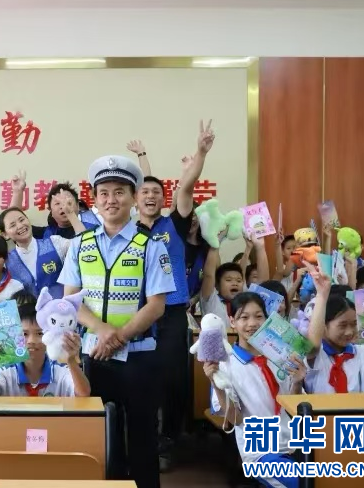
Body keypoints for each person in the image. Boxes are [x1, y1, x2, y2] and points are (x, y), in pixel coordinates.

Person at [59, 155, 175, 488]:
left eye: (120, 192)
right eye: (105, 193)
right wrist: (102, 331)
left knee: (142, 436)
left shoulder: (151, 246)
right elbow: (71, 301)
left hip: (140, 356)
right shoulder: (80, 245)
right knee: (101, 433)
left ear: (134, 198)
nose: (112, 200)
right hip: (94, 355)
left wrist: (118, 337)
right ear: (95, 200)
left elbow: (156, 306)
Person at [131, 122, 214, 469]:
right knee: (139, 380)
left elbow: (187, 185)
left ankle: (167, 442)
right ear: (135, 199)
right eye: (144, 192)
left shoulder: (174, 224)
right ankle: (140, 440)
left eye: (156, 192)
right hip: (137, 315)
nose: (150, 196)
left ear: (164, 200)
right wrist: (141, 158)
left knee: (172, 379)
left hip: (173, 313)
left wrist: (201, 153)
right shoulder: (126, 231)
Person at [205, 292, 307, 488]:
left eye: (259, 316)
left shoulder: (281, 356)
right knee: (303, 483)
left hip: (294, 444)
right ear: (232, 322)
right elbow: (235, 419)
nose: (252, 323)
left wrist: (297, 382)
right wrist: (215, 382)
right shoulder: (224, 365)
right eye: (244, 317)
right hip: (260, 452)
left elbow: (295, 409)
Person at [0, 301, 89, 397]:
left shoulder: (60, 370)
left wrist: (71, 360)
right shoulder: (5, 371)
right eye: (24, 334)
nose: (31, 341)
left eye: (40, 333)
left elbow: (83, 394)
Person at [305, 265, 364, 393]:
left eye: (354, 324)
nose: (349, 332)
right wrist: (322, 294)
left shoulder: (363, 353)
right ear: (324, 326)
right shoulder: (317, 355)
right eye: (342, 325)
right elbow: (312, 346)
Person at [0, 206, 76, 300]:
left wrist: (72, 216)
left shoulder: (55, 243)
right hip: (29, 309)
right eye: (12, 225)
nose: (20, 226)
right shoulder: (6, 262)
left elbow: (82, 246)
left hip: (63, 306)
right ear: (5, 235)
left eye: (22, 220)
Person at [10, 174, 96, 239]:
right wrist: (17, 192)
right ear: (51, 211)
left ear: (78, 205)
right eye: (57, 203)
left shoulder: (95, 228)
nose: (63, 206)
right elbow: (13, 222)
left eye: (67, 201)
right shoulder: (45, 234)